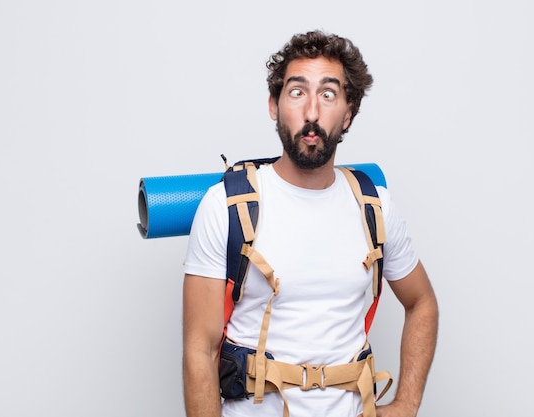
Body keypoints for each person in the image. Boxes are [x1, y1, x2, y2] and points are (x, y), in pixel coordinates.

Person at [182, 30, 439, 417]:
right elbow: (198, 351)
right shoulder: (225, 206)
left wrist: (407, 404)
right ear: (274, 105)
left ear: (348, 112)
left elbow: (422, 303)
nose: (312, 112)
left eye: (329, 94)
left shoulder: (375, 206)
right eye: (297, 92)